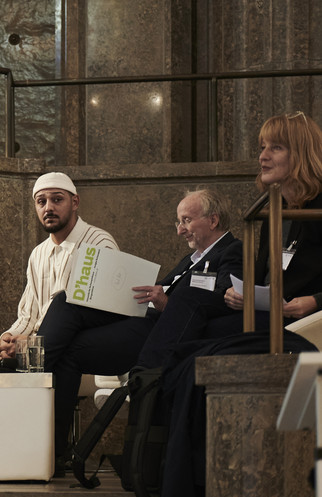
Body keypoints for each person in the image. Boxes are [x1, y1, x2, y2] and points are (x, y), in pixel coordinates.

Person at [36, 189, 240, 462]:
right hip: (142, 318)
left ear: (213, 221)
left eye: (186, 221)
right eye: (178, 223)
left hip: (163, 334)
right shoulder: (190, 260)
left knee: (66, 329)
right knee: (66, 314)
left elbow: (227, 303)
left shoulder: (233, 251)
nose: (180, 231)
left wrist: (166, 302)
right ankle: (53, 453)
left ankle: (31, 377)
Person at [135, 112, 322, 370]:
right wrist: (243, 292)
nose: (263, 156)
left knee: (194, 339)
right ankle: (147, 380)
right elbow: (267, 274)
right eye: (262, 147)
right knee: (189, 297)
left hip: (300, 316)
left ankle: (145, 383)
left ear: (302, 153)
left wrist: (315, 301)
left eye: (276, 148)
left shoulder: (317, 208)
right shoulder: (271, 208)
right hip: (267, 308)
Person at [0, 172, 118, 369]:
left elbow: (103, 316)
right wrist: (10, 338)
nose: (48, 208)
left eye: (57, 200)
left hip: (68, 346)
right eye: (41, 202)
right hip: (31, 343)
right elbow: (28, 314)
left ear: (75, 202)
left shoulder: (99, 243)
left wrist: (32, 344)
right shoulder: (38, 253)